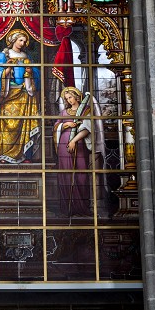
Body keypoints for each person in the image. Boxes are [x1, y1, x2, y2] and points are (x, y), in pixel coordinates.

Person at [0, 30, 41, 164]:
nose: (23, 43)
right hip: (10, 94)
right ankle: (4, 155)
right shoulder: (3, 55)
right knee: (8, 125)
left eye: (25, 41)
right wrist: (7, 70)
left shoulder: (27, 56)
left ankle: (25, 156)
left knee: (25, 124)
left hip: (26, 94)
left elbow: (36, 72)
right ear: (13, 40)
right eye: (21, 40)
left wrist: (31, 72)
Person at [53, 86, 93, 217]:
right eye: (66, 98)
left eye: (70, 97)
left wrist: (74, 141)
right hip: (64, 148)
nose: (69, 100)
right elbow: (56, 126)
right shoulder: (64, 112)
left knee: (81, 175)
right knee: (66, 175)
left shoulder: (86, 110)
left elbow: (88, 128)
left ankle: (81, 207)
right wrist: (65, 125)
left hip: (79, 146)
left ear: (76, 96)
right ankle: (68, 208)